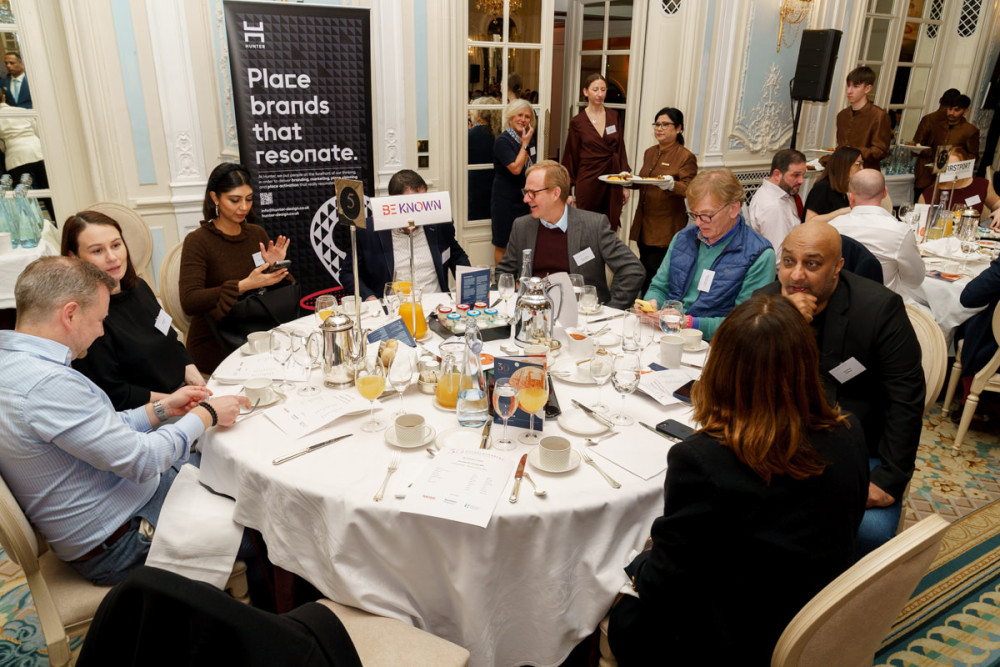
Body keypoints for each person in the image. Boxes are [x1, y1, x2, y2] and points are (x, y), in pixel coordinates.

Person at [607, 295, 869, 666]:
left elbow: (663, 586)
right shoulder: (850, 432)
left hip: (733, 643)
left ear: (720, 367)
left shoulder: (704, 461)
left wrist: (641, 559)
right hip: (818, 624)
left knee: (613, 596)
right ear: (807, 363)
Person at [0, 256, 247, 585]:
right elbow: (143, 461)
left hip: (117, 510)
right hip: (125, 539)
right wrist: (207, 414)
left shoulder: (14, 362)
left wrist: (163, 409)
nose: (101, 330)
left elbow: (101, 428)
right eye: (99, 319)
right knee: (261, 519)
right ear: (70, 314)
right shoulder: (47, 385)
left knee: (234, 468)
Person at [755, 222, 925, 557]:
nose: (796, 275)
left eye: (812, 264)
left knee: (869, 532)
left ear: (837, 267)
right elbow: (746, 382)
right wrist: (784, 324)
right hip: (780, 442)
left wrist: (888, 479)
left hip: (859, 446)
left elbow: (905, 399)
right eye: (788, 261)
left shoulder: (878, 309)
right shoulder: (765, 303)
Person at [62, 210, 205, 410]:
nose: (112, 257)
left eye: (116, 245)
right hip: (146, 413)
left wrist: (192, 373)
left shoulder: (139, 288)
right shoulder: (85, 316)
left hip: (184, 394)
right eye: (97, 251)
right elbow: (114, 393)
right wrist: (175, 401)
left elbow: (170, 338)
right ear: (74, 257)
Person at [180, 163, 291, 373]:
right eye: (235, 200)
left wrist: (274, 267)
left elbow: (269, 291)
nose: (244, 207)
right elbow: (190, 301)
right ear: (215, 198)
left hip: (257, 330)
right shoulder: (198, 241)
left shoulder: (256, 234)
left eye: (248, 199)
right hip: (217, 339)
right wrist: (242, 286)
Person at [643, 169, 776, 341]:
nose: (698, 223)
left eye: (706, 215)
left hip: (716, 345)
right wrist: (651, 304)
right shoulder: (683, 238)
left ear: (734, 208)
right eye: (694, 214)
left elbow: (746, 323)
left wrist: (690, 324)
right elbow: (659, 287)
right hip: (667, 336)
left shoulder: (759, 255)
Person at [496, 160, 644, 310]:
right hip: (535, 314)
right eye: (526, 192)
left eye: (533, 193)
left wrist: (611, 311)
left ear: (556, 193)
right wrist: (520, 297)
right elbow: (503, 273)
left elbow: (633, 271)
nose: (526, 199)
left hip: (583, 316)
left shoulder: (593, 226)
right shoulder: (522, 226)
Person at [339, 169, 470, 300]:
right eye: (412, 203)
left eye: (423, 201)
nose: (420, 208)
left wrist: (469, 283)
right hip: (393, 306)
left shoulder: (439, 224)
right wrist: (369, 297)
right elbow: (348, 273)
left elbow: (457, 256)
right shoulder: (367, 232)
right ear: (393, 201)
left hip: (436, 302)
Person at [628, 107, 698, 292]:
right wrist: (628, 181)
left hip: (665, 227)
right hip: (644, 223)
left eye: (665, 124)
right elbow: (645, 181)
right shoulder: (650, 152)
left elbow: (690, 189)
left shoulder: (685, 156)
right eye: (657, 124)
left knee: (656, 273)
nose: (659, 128)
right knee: (644, 268)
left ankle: (651, 304)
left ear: (678, 128)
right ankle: (643, 303)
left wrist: (672, 185)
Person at [832, 169, 925, 293]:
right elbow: (915, 280)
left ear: (851, 196)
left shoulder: (833, 226)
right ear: (885, 193)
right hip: (882, 301)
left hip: (839, 299)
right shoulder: (900, 232)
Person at [561, 73, 631, 231]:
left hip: (613, 179)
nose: (600, 94)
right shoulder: (577, 122)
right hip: (588, 179)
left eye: (603, 90)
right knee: (587, 225)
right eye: (595, 89)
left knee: (609, 226)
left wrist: (625, 184)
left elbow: (621, 150)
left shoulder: (614, 116)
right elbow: (571, 156)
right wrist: (568, 191)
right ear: (586, 92)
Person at [491, 98, 535, 265]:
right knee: (503, 243)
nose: (523, 119)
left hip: (524, 199)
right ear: (510, 116)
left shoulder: (527, 139)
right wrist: (525, 144)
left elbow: (531, 165)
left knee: (523, 243)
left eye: (527, 116)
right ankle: (502, 278)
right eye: (519, 115)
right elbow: (516, 169)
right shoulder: (502, 141)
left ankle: (521, 277)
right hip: (505, 200)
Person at [913, 91, 980, 200]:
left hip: (951, 179)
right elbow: (920, 145)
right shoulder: (936, 124)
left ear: (965, 111)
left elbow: (973, 156)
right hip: (927, 177)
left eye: (956, 110)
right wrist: (930, 154)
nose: (951, 113)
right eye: (950, 109)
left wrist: (956, 160)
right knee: (920, 204)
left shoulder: (970, 130)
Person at [918, 146, 1000, 228]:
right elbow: (919, 226)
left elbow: (997, 204)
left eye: (956, 167)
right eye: (948, 168)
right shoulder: (928, 195)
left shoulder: (980, 185)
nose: (952, 172)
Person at [748, 148, 807, 251]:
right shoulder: (773, 207)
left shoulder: (775, 193)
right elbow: (778, 256)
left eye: (803, 175)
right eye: (796, 175)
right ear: (777, 175)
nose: (801, 181)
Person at [836, 66, 892, 170]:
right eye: (848, 85)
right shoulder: (842, 115)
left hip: (866, 173)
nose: (849, 91)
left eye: (855, 86)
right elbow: (840, 146)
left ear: (867, 88)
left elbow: (880, 151)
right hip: (841, 172)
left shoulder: (879, 115)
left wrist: (851, 151)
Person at [0, 88, 46, 188]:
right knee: (47, 188)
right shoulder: (22, 111)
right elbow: (38, 132)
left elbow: (1, 146)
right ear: (3, 97)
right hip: (38, 151)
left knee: (23, 194)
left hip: (16, 158)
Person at [803, 146, 863, 223]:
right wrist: (842, 212)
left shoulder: (840, 189)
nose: (862, 168)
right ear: (844, 165)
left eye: (862, 163)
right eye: (858, 164)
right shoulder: (823, 187)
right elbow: (809, 220)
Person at [468, 97, 500, 222]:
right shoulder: (500, 134)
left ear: (479, 113)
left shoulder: (470, 135)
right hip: (495, 188)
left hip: (474, 188)